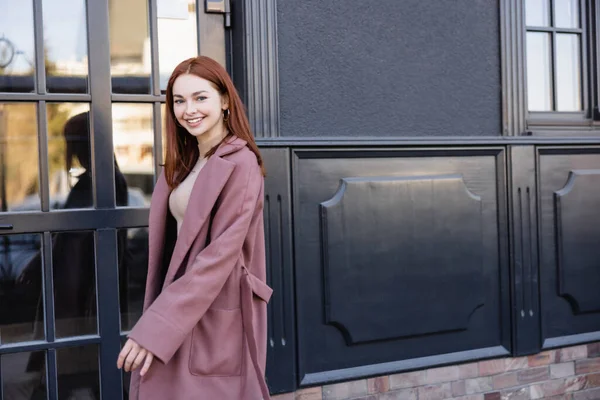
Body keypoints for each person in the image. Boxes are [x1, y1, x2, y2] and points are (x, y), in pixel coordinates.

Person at [117, 56, 272, 400]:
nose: (189, 110)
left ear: (225, 100)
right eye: (179, 100)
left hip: (215, 311)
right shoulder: (187, 162)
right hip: (182, 300)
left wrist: (156, 326)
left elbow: (219, 256)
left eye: (200, 97)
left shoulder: (241, 162)